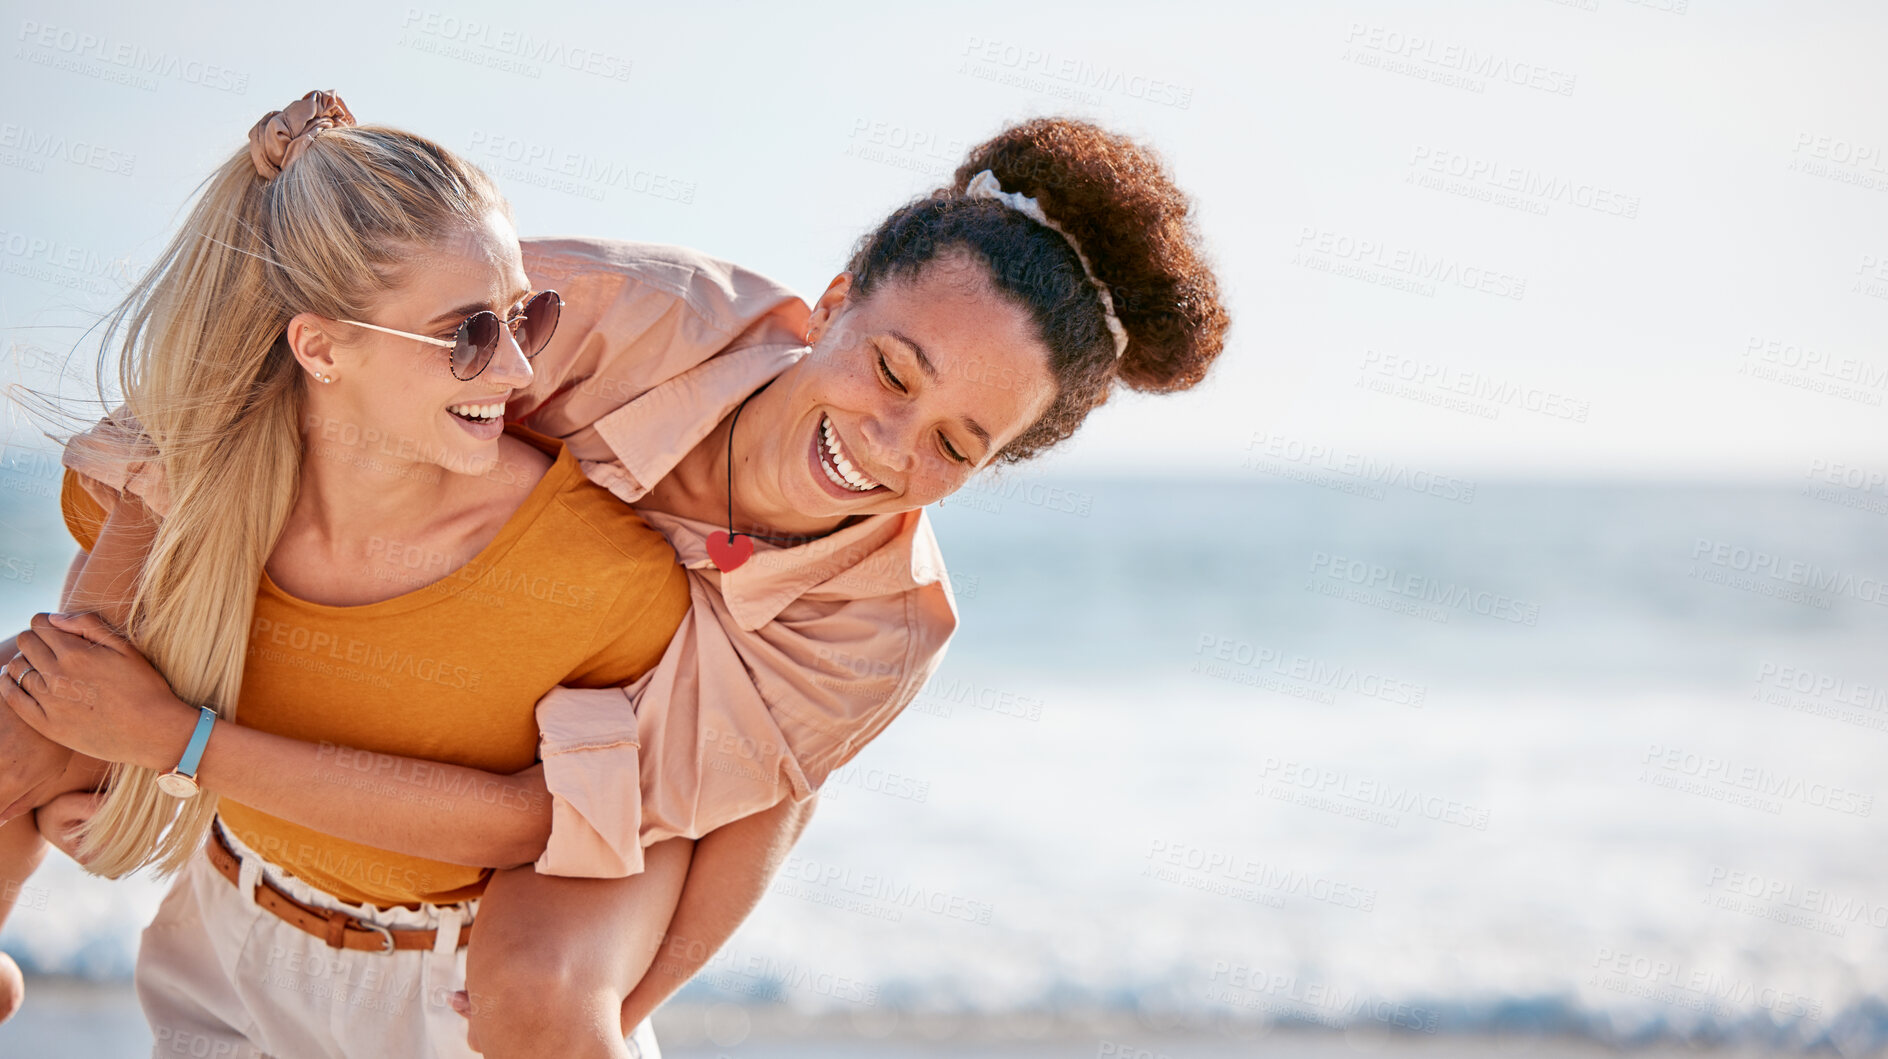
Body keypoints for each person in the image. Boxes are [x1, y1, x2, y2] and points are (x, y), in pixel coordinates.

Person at [5, 97, 1232, 1058]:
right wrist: (91, 679)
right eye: (894, 374)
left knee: (543, 992)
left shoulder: (875, 628)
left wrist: (609, 1011)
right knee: (37, 705)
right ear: (838, 303)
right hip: (501, 669)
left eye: (958, 449)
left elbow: (611, 813)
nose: (888, 448)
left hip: (673, 778)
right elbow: (318, 360)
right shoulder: (608, 310)